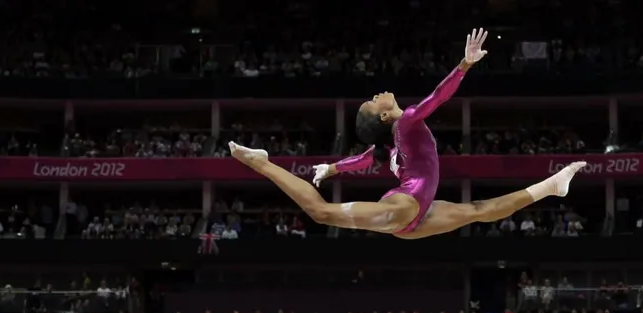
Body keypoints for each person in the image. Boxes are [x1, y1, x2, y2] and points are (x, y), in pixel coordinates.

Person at [229, 28, 587, 239]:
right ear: (385, 114)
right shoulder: (407, 121)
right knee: (321, 214)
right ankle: (262, 163)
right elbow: (438, 97)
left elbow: (369, 157)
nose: (376, 94)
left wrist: (334, 168)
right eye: (373, 101)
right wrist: (464, 65)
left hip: (415, 214)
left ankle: (551, 186)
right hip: (405, 209)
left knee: (479, 209)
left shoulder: (395, 140)